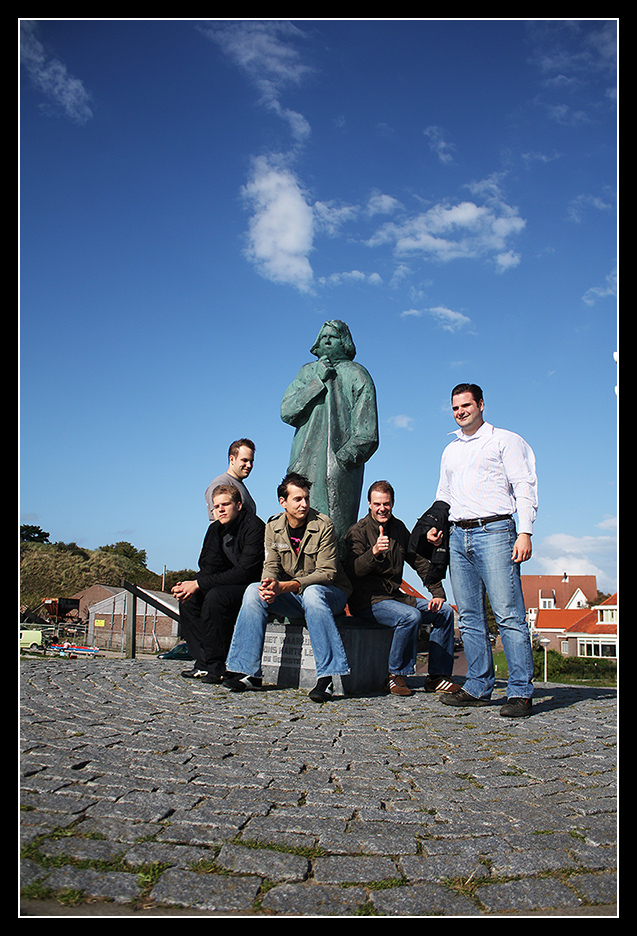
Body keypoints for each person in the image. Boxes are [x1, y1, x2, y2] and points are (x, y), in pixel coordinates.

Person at [427, 383, 538, 717]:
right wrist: (437, 525)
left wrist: (526, 531)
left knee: (508, 614)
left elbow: (524, 485)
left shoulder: (504, 440)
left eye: (466, 405)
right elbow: (444, 493)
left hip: (496, 531)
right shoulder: (450, 450)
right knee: (471, 616)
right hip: (458, 536)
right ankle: (478, 685)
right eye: (455, 407)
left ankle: (520, 691)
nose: (461, 412)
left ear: (481, 405)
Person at [223, 472, 352, 703]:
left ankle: (327, 678)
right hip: (294, 596)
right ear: (283, 502)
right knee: (254, 591)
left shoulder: (323, 525)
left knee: (312, 593)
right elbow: (271, 564)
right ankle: (248, 671)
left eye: (306, 498)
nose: (304, 504)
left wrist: (288, 586)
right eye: (297, 499)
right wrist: (269, 584)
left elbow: (327, 572)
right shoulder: (273, 527)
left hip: (330, 593)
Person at [345, 481, 459, 698]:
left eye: (386, 504)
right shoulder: (357, 532)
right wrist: (374, 552)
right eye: (377, 503)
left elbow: (419, 562)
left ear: (393, 503)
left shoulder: (399, 529)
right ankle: (395, 674)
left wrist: (437, 592)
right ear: (369, 504)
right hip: (367, 600)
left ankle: (437, 677)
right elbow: (352, 570)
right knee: (410, 617)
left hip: (394, 597)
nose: (382, 508)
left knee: (444, 612)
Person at [280, 321, 378, 551]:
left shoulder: (357, 373)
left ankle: (338, 582)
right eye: (322, 336)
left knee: (337, 535)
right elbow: (287, 412)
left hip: (340, 471)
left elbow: (368, 433)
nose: (326, 340)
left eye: (333, 336)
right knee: (299, 532)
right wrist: (317, 382)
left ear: (344, 342)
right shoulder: (306, 372)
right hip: (303, 463)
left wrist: (342, 459)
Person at [173, 485, 265, 683]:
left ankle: (217, 667)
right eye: (216, 506)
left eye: (226, 504)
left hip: (250, 586)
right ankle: (203, 663)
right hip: (223, 583)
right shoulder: (214, 529)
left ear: (238, 505)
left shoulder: (254, 527)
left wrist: (200, 584)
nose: (220, 510)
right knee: (188, 598)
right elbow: (209, 566)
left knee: (215, 597)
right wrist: (190, 584)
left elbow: (245, 572)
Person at [205, 439, 257, 521]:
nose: (249, 465)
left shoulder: (239, 485)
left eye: (251, 461)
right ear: (232, 459)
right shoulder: (221, 483)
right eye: (244, 460)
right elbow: (219, 520)